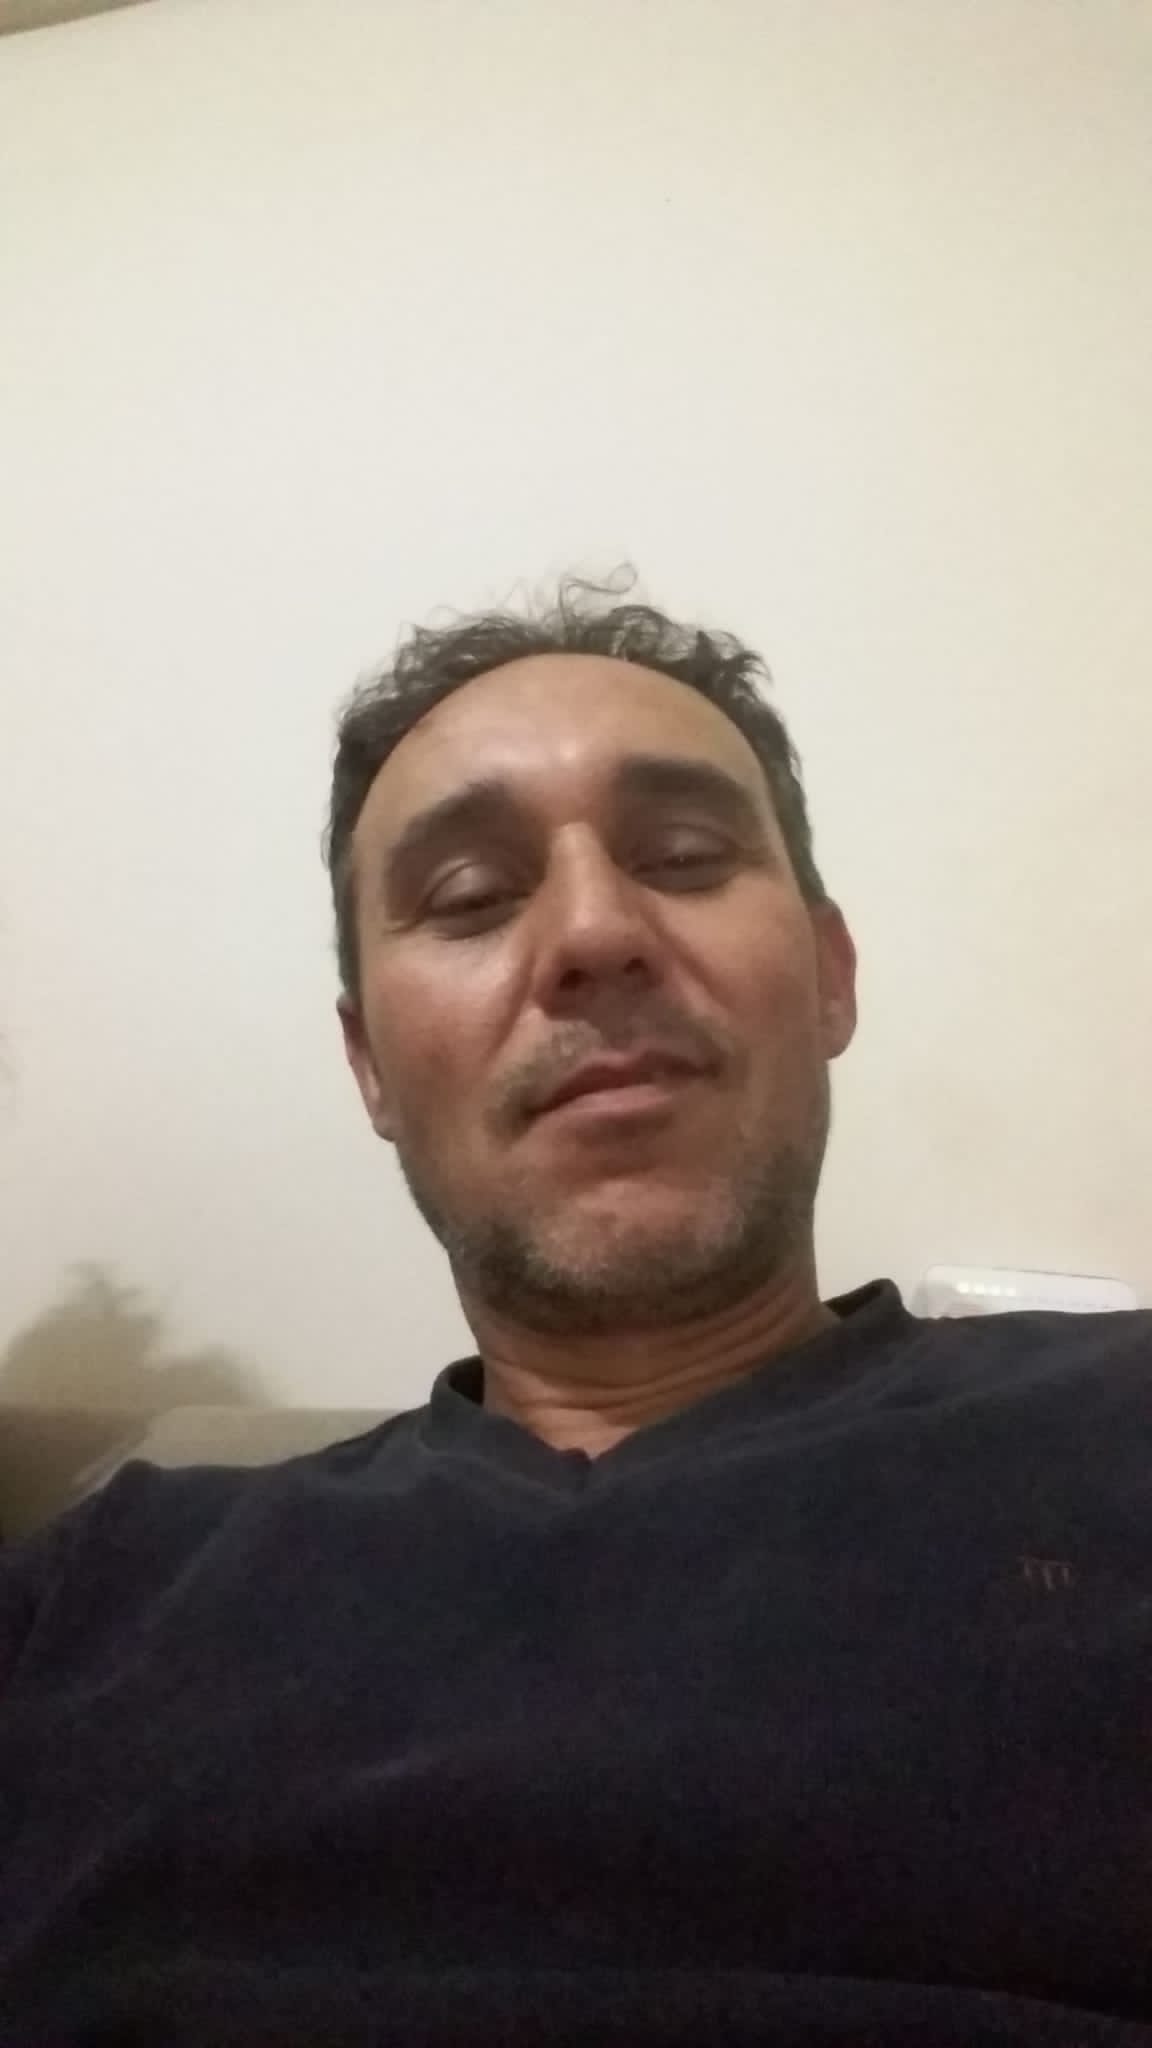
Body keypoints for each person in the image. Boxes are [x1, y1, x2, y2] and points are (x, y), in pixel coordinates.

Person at [1, 581, 1150, 2047]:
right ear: (369, 1068)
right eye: (470, 897)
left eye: (683, 858)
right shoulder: (107, 1591)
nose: (597, 931)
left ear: (831, 976)